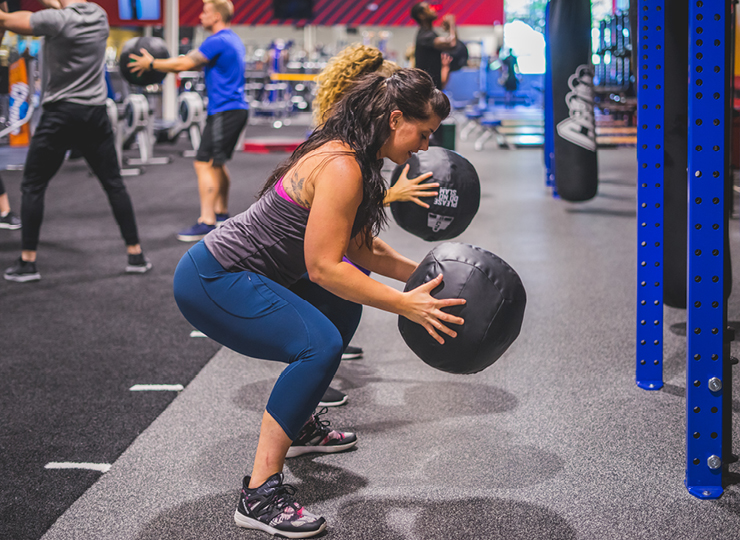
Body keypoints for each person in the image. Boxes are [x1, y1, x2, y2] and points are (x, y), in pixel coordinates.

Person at [173, 68, 463, 538]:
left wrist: (428, 274)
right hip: (212, 278)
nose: (425, 147)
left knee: (343, 310)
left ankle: (301, 425)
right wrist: (405, 304)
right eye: (423, 133)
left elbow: (361, 249)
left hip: (251, 273)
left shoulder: (358, 158)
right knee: (320, 344)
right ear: (395, 119)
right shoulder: (342, 166)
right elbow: (325, 266)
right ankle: (259, 492)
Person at [311, 44, 442, 407]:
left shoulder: (365, 142)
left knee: (351, 287)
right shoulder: (341, 149)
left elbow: (360, 237)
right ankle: (314, 368)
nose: (426, 145)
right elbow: (335, 211)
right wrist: (404, 302)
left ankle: (322, 352)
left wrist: (420, 277)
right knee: (342, 294)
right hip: (287, 259)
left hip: (312, 246)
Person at [2, 0, 152, 283]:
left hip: (61, 114)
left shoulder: (57, 21)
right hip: (95, 115)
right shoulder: (100, 16)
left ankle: (27, 262)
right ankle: (136, 255)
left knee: (33, 185)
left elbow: (10, 21)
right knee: (114, 184)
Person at [128, 0, 248, 242]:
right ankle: (222, 213)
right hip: (234, 110)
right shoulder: (232, 38)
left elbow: (184, 64)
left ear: (216, 16)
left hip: (226, 111)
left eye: (205, 13)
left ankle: (207, 221)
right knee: (217, 163)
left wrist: (150, 64)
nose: (201, 17)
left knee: (204, 162)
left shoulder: (218, 39)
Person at [410, 1, 458, 91]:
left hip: (431, 90)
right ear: (421, 15)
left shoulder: (430, 34)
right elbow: (451, 43)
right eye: (428, 8)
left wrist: (452, 28)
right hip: (427, 91)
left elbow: (453, 45)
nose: (433, 9)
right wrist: (452, 24)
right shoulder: (425, 36)